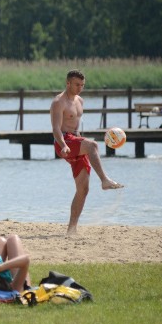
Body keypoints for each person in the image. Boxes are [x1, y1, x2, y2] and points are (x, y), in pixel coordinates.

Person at [50, 69, 123, 236]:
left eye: (82, 85)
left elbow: (76, 126)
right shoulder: (58, 102)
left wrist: (80, 141)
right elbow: (56, 129)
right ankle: (105, 180)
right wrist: (63, 145)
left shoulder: (80, 101)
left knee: (83, 188)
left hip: (75, 141)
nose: (80, 88)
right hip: (64, 142)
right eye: (77, 85)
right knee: (93, 146)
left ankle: (71, 230)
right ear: (68, 83)